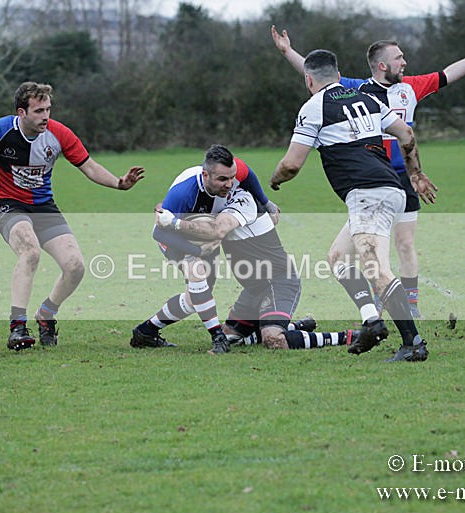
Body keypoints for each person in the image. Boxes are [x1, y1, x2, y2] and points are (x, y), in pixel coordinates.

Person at [271, 26, 465, 317]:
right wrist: (287, 51)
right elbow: (320, 76)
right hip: (373, 174)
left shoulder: (411, 87)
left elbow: (447, 74)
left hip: (404, 178)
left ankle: (411, 305)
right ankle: (382, 299)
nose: (404, 62)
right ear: (382, 65)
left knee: (404, 243)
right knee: (370, 248)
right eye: (399, 58)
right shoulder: (358, 89)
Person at [270, 49, 437, 362]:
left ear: (308, 79)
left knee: (377, 270)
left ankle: (413, 343)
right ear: (337, 73)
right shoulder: (369, 99)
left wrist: (274, 180)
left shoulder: (314, 106)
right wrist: (415, 173)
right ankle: (372, 321)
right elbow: (406, 133)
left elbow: (291, 165)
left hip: (368, 194)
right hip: (389, 189)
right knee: (338, 257)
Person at [0, 82, 144, 350]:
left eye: (48, 109)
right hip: (7, 204)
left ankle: (46, 314)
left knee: (75, 266)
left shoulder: (59, 134)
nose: (45, 116)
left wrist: (119, 183)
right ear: (21, 113)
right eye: (38, 111)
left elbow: (89, 166)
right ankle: (17, 327)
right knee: (30, 252)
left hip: (43, 206)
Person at [155, 187, 361, 351]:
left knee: (274, 340)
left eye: (228, 180)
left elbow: (217, 230)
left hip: (278, 281)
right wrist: (169, 209)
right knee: (231, 337)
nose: (224, 185)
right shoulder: (214, 201)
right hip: (254, 289)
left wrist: (174, 222)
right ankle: (294, 327)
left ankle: (347, 336)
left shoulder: (242, 202)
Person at [129, 145, 280, 355]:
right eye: (222, 180)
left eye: (232, 178)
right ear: (205, 174)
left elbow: (250, 177)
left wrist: (266, 203)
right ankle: (218, 337)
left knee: (197, 298)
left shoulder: (234, 172)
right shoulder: (183, 193)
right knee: (197, 274)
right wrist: (196, 251)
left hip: (201, 235)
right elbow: (159, 233)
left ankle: (146, 331)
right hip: (173, 236)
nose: (229, 184)